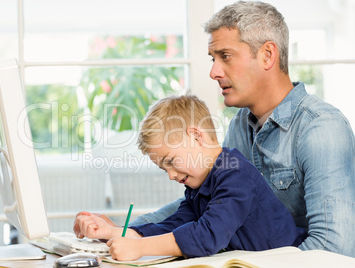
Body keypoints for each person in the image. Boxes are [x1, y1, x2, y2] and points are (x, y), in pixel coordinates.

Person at [126, 0, 355, 258]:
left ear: (268, 55)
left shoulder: (321, 127)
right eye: (213, 59)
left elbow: (334, 250)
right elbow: (209, 204)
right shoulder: (239, 125)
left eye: (225, 56)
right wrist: (127, 233)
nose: (213, 71)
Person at [73, 95, 306, 260]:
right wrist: (116, 233)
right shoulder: (200, 185)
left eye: (171, 161)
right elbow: (174, 225)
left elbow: (207, 236)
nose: (171, 175)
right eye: (164, 169)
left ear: (196, 136)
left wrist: (140, 247)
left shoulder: (236, 175)